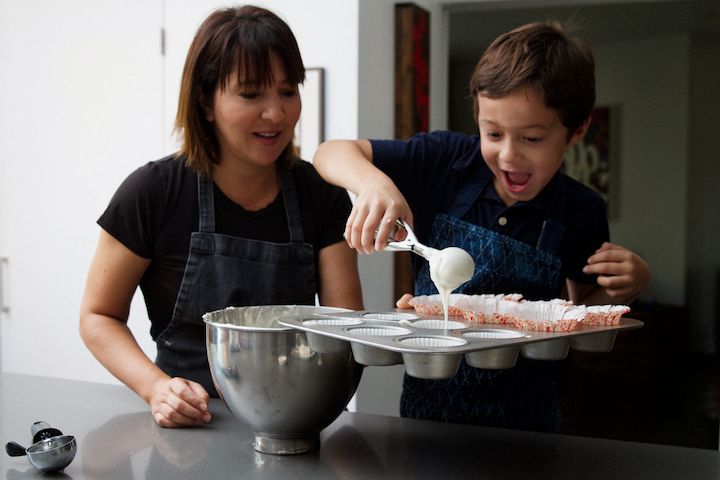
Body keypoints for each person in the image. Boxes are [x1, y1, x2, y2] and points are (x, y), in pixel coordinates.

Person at [313, 21, 650, 433]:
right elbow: (330, 153)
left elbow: (578, 317)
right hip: (428, 418)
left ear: (576, 129)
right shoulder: (445, 161)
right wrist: (375, 184)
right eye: (493, 133)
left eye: (531, 138)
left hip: (529, 423)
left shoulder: (582, 210)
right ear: (478, 116)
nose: (509, 155)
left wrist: (626, 287)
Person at [80, 5, 363, 428]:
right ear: (205, 102)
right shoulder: (152, 192)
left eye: (288, 91)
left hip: (291, 424)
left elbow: (346, 333)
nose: (277, 113)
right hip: (188, 427)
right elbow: (97, 316)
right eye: (251, 95)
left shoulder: (320, 195)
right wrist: (156, 388)